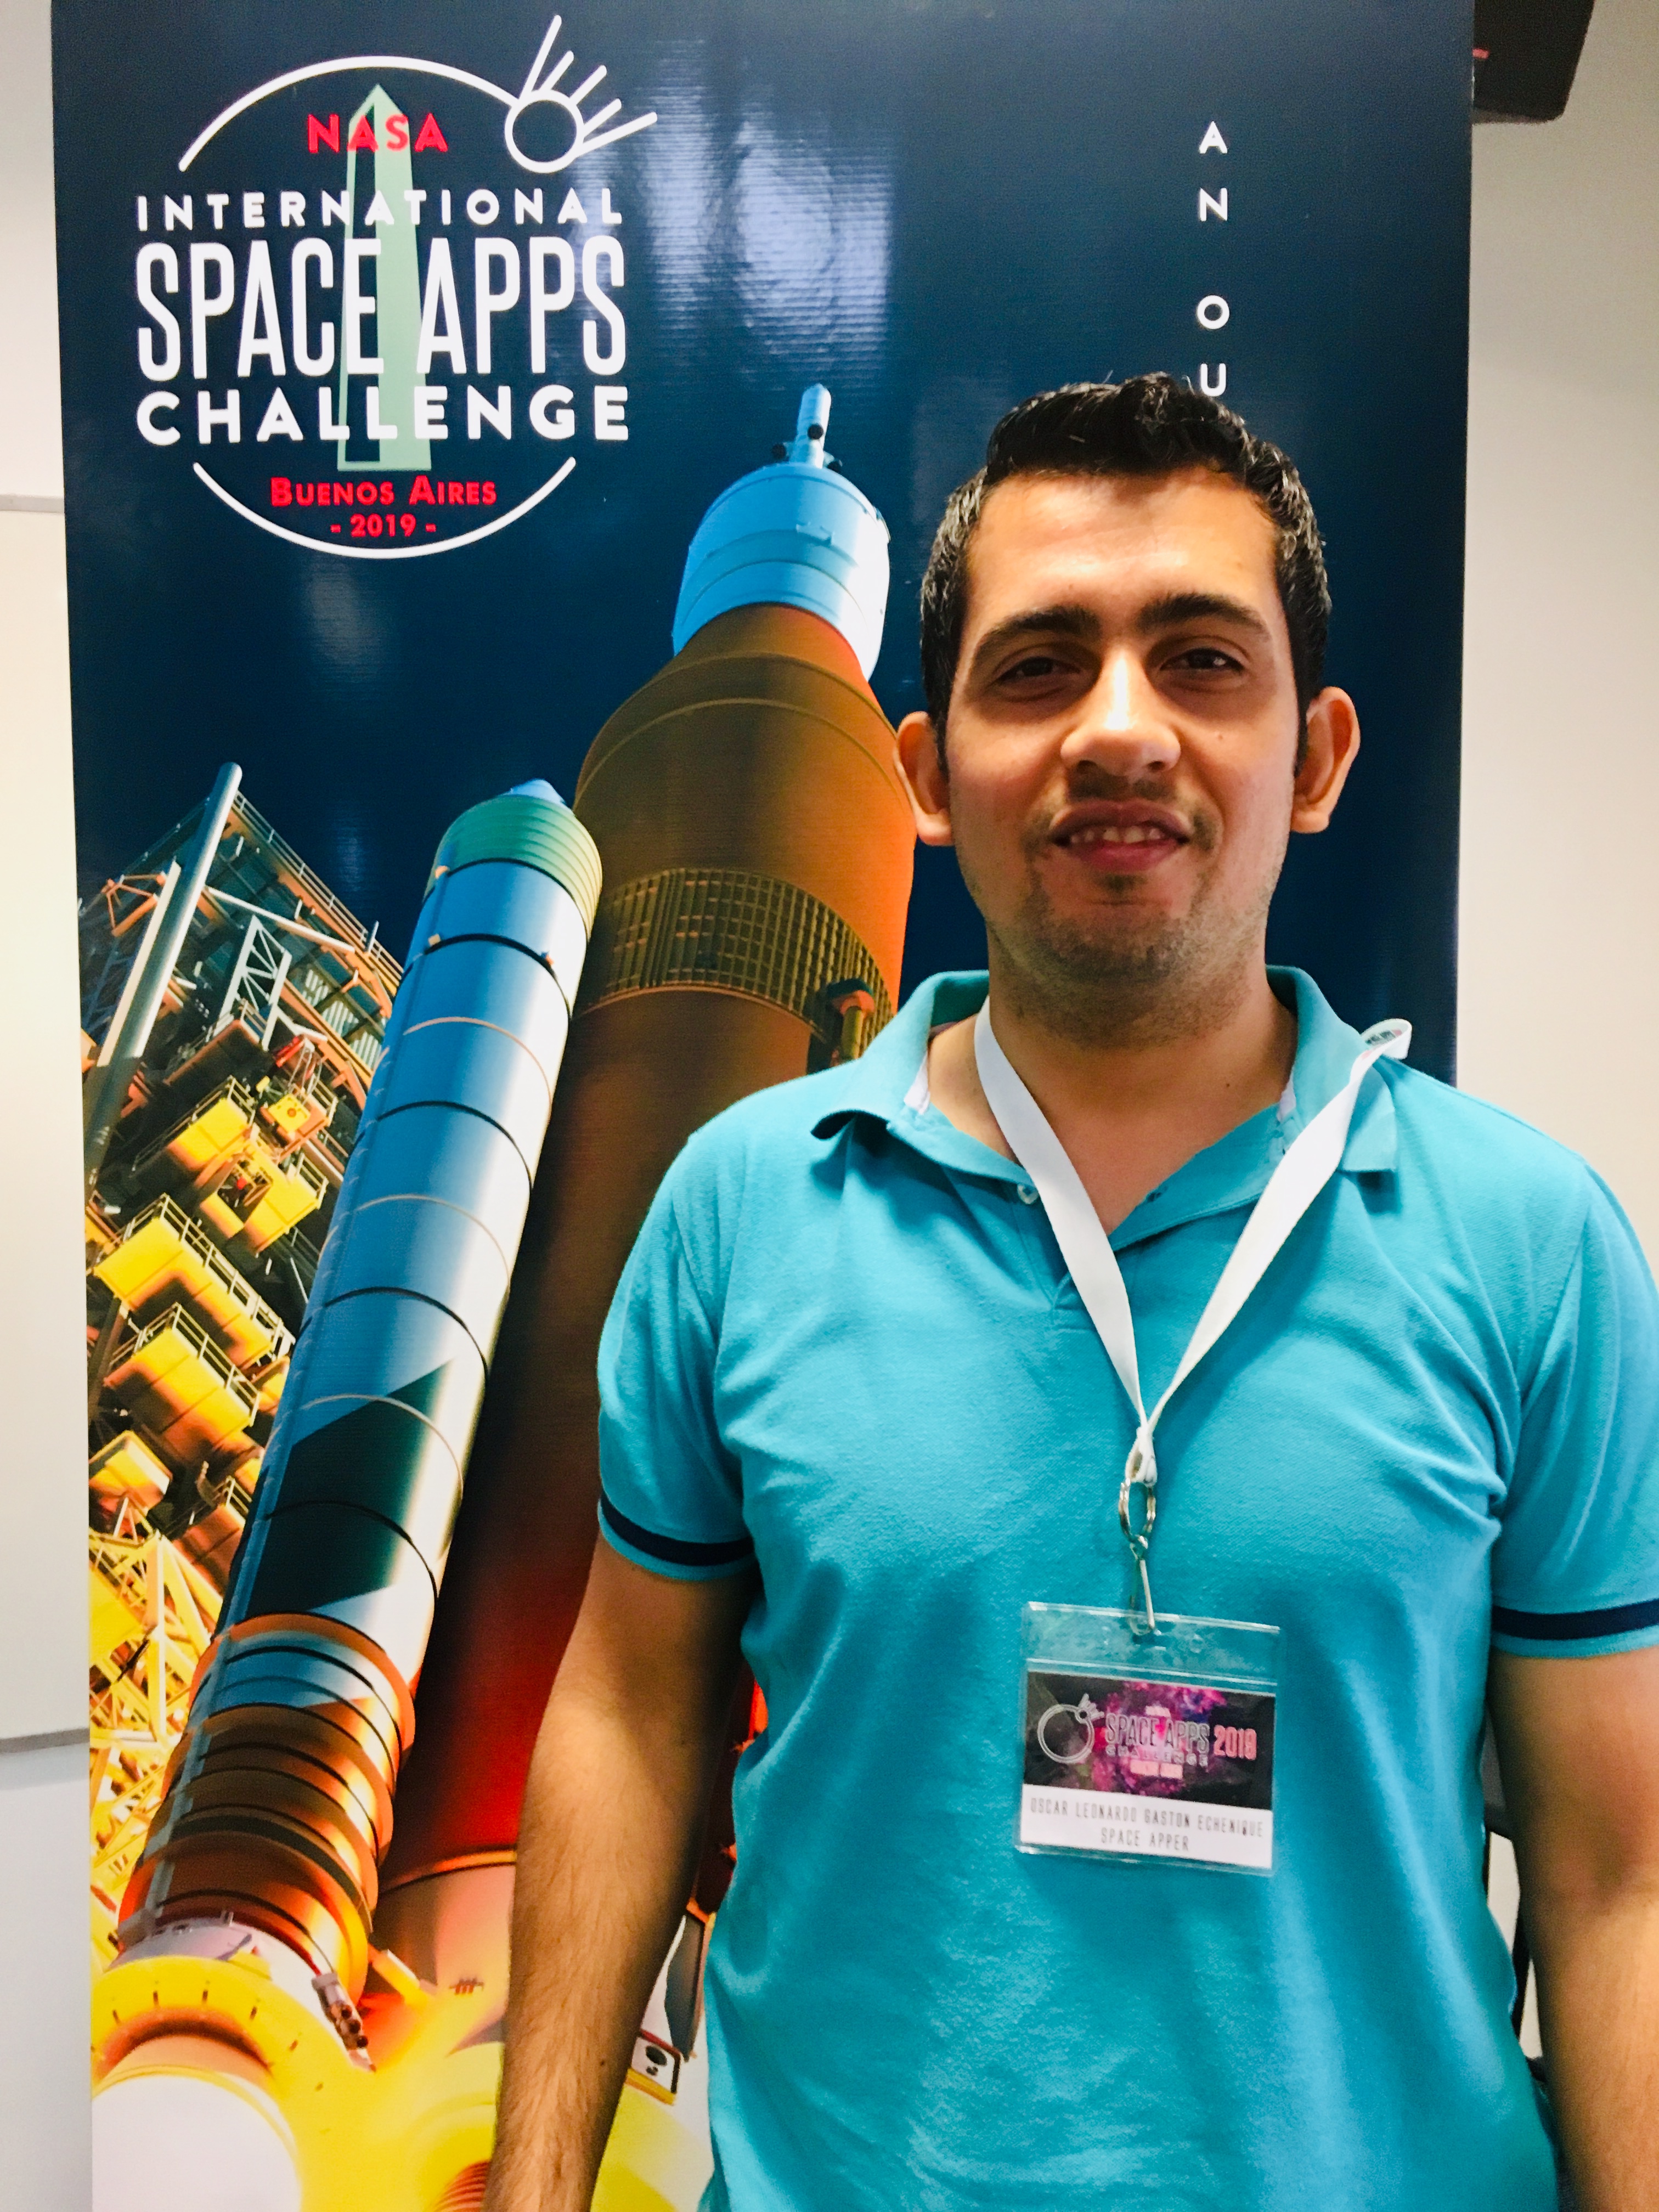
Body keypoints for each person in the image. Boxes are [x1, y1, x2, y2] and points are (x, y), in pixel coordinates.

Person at [484, 375, 1659, 2212]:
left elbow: (1615, 1882)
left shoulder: (1532, 1249)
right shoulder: (743, 1209)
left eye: (1202, 661)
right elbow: (630, 1720)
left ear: (1318, 757)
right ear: (926, 773)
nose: (1120, 729)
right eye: (1039, 669)